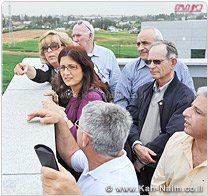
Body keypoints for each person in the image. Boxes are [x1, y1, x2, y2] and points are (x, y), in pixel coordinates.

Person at [127, 41, 196, 194]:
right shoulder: (143, 90)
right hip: (136, 163)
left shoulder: (185, 97)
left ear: (173, 63)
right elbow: (129, 120)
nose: (151, 66)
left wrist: (140, 160)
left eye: (157, 61)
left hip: (160, 168)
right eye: (148, 61)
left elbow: (173, 134)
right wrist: (136, 145)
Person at [28, 101, 139, 195]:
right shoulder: (104, 156)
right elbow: (71, 154)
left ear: (85, 139)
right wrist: (60, 120)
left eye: (78, 126)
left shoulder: (113, 188)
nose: (77, 129)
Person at [114, 27, 196, 108]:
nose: (140, 48)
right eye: (138, 44)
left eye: (145, 43)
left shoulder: (180, 67)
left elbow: (190, 100)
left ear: (159, 43)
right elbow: (121, 100)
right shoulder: (130, 69)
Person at [150, 86, 207, 195]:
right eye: (191, 106)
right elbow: (156, 187)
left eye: (197, 112)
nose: (185, 112)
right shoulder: (176, 140)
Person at [14, 30, 74, 107]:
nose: (49, 50)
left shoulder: (78, 69)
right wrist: (26, 67)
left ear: (66, 47)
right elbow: (39, 75)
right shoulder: (51, 70)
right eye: (45, 48)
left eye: (54, 46)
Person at [72, 20, 121, 95]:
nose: (75, 40)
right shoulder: (70, 56)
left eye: (78, 35)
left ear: (90, 36)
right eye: (73, 36)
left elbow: (116, 86)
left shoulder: (107, 55)